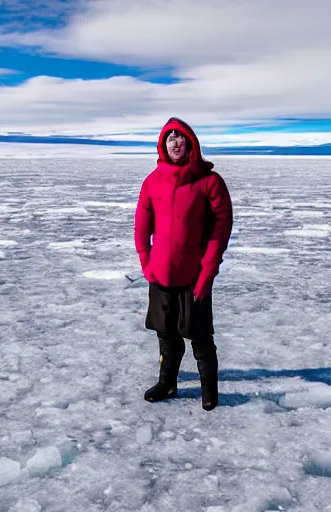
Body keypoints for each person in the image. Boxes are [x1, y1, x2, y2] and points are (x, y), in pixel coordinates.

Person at [134, 117, 233, 411]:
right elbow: (142, 223)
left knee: (200, 335)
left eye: (180, 137)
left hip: (194, 275)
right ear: (163, 145)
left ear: (190, 142)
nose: (175, 142)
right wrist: (146, 261)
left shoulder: (209, 181)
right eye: (170, 138)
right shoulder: (153, 181)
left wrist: (208, 271)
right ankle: (168, 382)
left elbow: (221, 228)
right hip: (161, 273)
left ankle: (208, 390)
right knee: (166, 334)